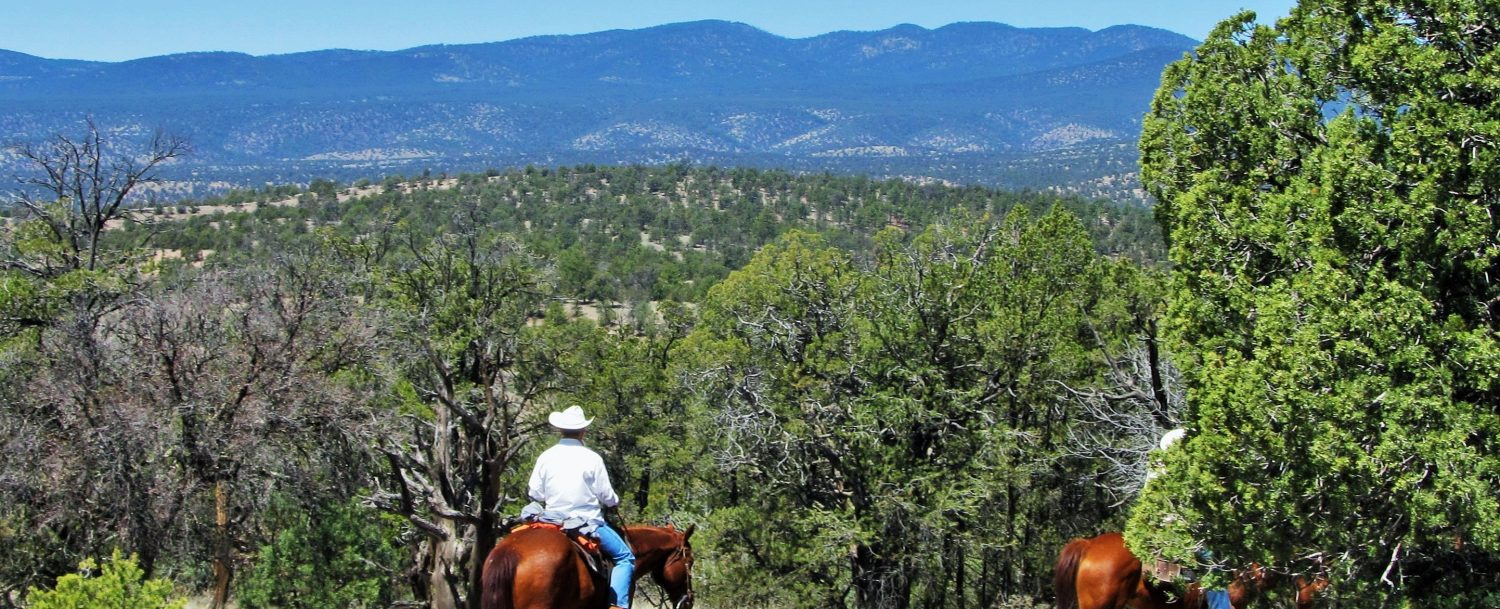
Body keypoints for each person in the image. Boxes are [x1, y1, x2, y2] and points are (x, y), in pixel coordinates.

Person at [527, 406, 635, 609]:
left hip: (552, 521)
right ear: (583, 431)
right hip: (588, 522)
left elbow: (535, 493)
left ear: (560, 430)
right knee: (624, 557)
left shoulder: (546, 457)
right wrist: (614, 502)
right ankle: (617, 606)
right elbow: (606, 495)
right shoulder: (592, 458)